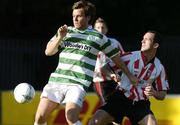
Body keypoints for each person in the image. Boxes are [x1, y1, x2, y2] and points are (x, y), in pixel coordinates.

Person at [33, 1, 138, 125]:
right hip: (57, 81)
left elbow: (116, 57)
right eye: (73, 16)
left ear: (88, 17)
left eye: (79, 16)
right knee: (40, 118)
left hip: (78, 83)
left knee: (71, 117)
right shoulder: (65, 32)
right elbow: (48, 52)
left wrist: (129, 75)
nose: (75, 19)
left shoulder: (98, 37)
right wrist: (60, 37)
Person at [88, 30, 169, 125]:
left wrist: (154, 92)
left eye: (147, 39)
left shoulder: (159, 67)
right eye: (143, 39)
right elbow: (104, 66)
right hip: (120, 98)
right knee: (94, 122)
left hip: (140, 104)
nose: (142, 41)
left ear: (155, 45)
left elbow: (162, 95)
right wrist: (111, 75)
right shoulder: (130, 57)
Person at [93, 17, 125, 105]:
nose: (101, 30)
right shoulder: (92, 44)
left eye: (103, 27)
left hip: (116, 80)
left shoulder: (114, 42)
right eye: (98, 28)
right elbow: (101, 67)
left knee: (117, 106)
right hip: (100, 80)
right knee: (106, 106)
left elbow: (124, 58)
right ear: (94, 30)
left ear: (106, 29)